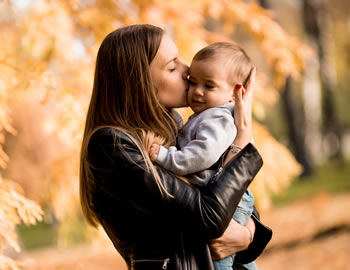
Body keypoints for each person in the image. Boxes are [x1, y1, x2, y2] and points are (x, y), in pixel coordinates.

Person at [79, 24, 271, 270]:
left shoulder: (175, 126)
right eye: (172, 66)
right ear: (140, 83)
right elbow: (211, 216)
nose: (187, 70)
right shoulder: (113, 146)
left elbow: (229, 199)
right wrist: (242, 141)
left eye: (180, 59)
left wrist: (247, 233)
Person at [148, 42, 260, 270]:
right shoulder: (207, 115)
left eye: (209, 86)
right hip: (221, 196)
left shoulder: (218, 119)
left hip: (228, 198)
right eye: (193, 82)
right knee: (233, 261)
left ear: (234, 93)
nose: (197, 91)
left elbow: (202, 155)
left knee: (219, 262)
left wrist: (165, 157)